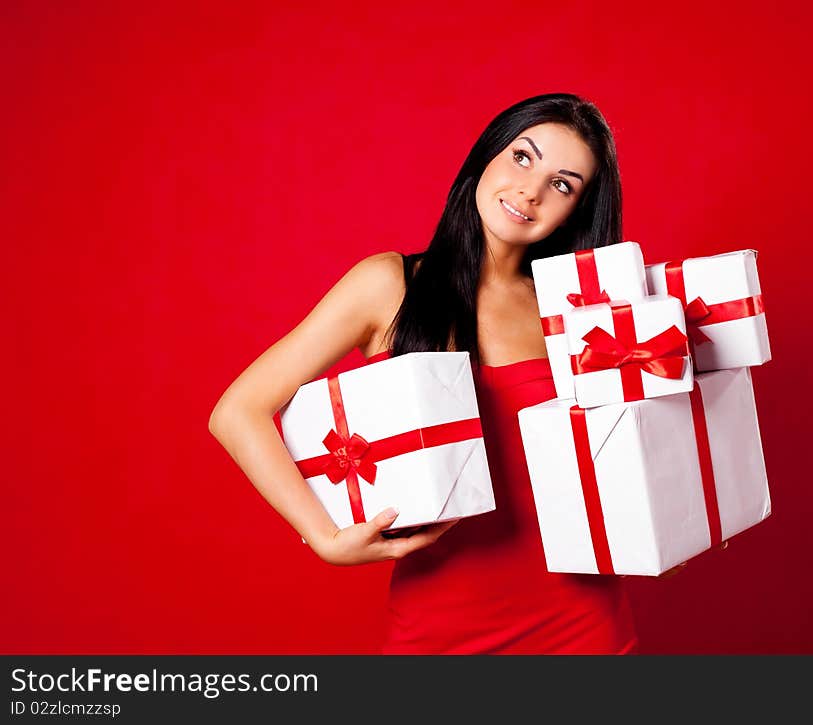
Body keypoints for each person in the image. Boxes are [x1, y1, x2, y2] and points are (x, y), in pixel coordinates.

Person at [209, 92, 641, 654]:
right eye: (522, 157)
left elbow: (627, 451)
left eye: (563, 184)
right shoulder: (390, 285)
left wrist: (674, 521)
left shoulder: (580, 309)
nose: (530, 191)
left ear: (578, 210)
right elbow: (237, 412)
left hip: (583, 624)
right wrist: (323, 537)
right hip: (439, 628)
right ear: (486, 156)